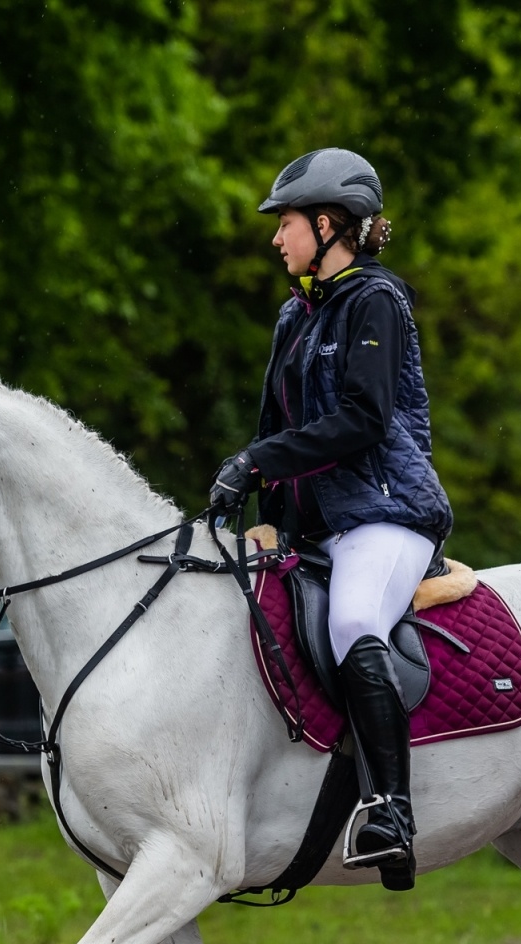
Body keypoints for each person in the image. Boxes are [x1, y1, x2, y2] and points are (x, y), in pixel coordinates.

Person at [208, 148, 454, 891]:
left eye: (285, 223)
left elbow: (363, 418)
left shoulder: (376, 300)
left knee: (352, 622)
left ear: (328, 223)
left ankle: (390, 808)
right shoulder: (296, 315)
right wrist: (254, 500)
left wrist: (255, 462)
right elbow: (272, 425)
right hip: (314, 530)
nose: (275, 239)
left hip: (386, 515)